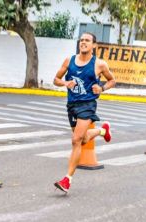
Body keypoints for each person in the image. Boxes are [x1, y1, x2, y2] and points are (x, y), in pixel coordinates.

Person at [53, 32, 116, 193]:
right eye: (81, 40)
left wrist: (101, 88)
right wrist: (65, 82)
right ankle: (102, 130)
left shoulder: (99, 64)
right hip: (72, 105)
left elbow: (112, 80)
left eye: (87, 40)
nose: (83, 43)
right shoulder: (70, 60)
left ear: (94, 45)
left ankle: (67, 180)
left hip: (88, 104)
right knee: (83, 139)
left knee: (76, 140)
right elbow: (56, 79)